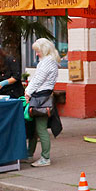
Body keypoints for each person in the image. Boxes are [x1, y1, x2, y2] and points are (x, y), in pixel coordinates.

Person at [25, 38, 61, 167]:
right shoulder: (50, 61)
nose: (36, 54)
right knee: (36, 128)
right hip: (44, 97)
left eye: (38, 51)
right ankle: (29, 154)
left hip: (41, 98)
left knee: (40, 129)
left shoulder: (47, 62)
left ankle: (45, 157)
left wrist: (28, 92)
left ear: (44, 50)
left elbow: (38, 80)